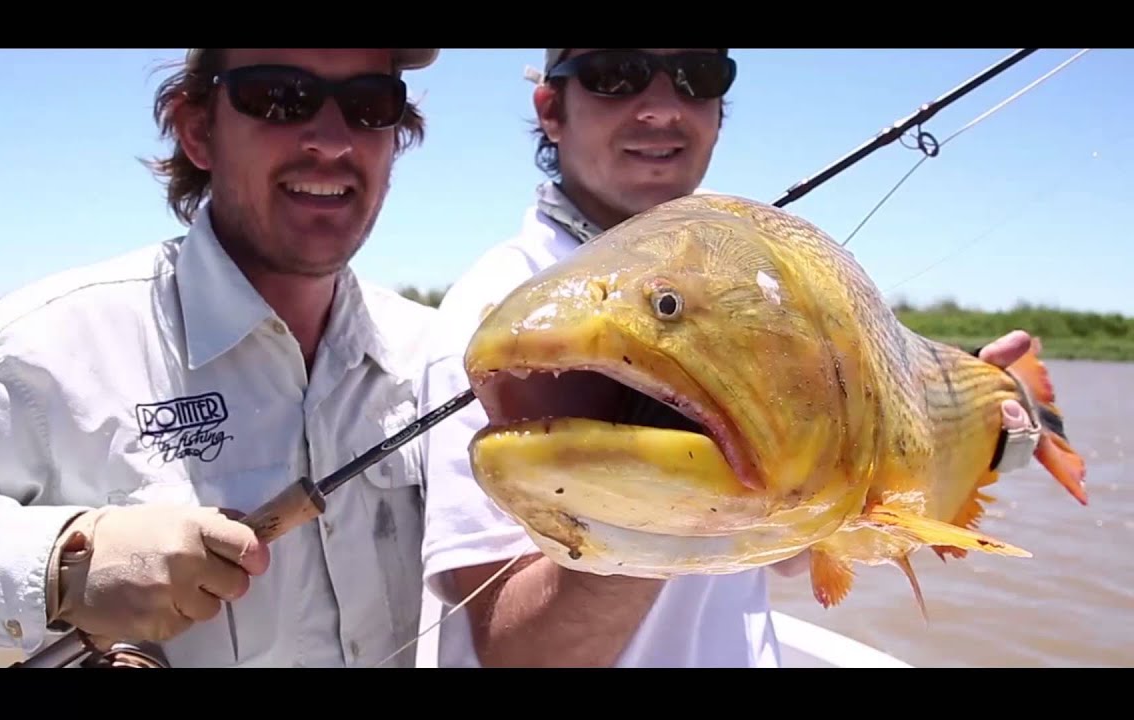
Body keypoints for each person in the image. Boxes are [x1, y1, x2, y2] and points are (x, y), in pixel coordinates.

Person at [417, 48, 1043, 668]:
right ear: (552, 108)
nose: (661, 108)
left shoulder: (762, 272)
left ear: (720, 109)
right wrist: (652, 514)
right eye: (616, 74)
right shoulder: (495, 316)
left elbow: (800, 548)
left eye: (698, 75)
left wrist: (996, 436)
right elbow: (515, 652)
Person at [0, 47, 441, 669]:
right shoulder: (49, 348)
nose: (331, 140)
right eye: (278, 96)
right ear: (197, 132)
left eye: (369, 104)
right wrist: (62, 564)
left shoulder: (440, 354)